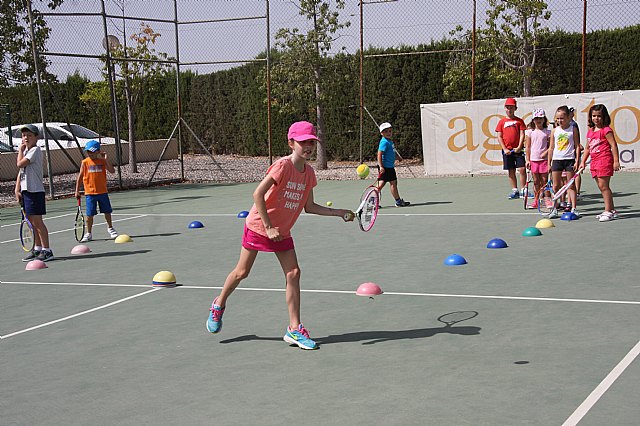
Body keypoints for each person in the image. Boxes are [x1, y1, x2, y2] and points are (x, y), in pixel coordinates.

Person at [205, 121, 353, 350]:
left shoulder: (309, 174)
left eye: (311, 142)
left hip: (282, 231)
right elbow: (257, 194)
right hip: (258, 226)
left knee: (293, 273)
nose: (308, 147)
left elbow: (310, 206)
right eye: (303, 142)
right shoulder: (282, 166)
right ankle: (218, 304)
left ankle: (294, 329)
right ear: (291, 143)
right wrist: (268, 227)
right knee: (242, 272)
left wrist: (338, 212)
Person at [14, 124, 54, 262]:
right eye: (24, 135)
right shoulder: (26, 152)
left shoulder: (35, 150)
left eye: (29, 135)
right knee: (31, 222)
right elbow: (21, 172)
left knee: (37, 222)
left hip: (35, 191)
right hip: (26, 192)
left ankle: (47, 250)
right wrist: (17, 189)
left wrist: (20, 150)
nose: (26, 138)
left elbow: (19, 164)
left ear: (36, 138)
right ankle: (37, 250)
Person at [579, 104, 621, 222]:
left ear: (604, 117)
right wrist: (582, 162)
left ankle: (608, 211)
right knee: (601, 186)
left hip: (605, 160)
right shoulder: (590, 131)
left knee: (604, 186)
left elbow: (613, 145)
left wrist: (616, 161)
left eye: (599, 116)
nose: (596, 118)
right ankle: (612, 210)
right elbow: (587, 148)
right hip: (594, 162)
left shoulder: (606, 130)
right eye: (593, 116)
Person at [74, 140, 119, 241]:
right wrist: (77, 190)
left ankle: (110, 228)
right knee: (89, 215)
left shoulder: (102, 161)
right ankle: (89, 233)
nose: (90, 154)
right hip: (90, 194)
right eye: (88, 152)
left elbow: (112, 171)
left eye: (92, 151)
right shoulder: (84, 162)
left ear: (98, 151)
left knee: (107, 212)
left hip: (102, 192)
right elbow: (80, 177)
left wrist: (106, 159)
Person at [547, 105, 581, 219]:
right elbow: (551, 148)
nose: (559, 121)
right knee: (556, 186)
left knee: (570, 185)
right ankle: (555, 208)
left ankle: (574, 208)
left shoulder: (573, 129)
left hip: (569, 160)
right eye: (558, 118)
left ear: (568, 117)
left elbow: (577, 146)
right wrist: (549, 163)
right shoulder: (554, 131)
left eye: (562, 118)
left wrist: (577, 160)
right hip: (557, 160)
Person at [496, 97, 527, 199]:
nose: (509, 110)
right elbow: (499, 136)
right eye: (508, 107)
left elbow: (522, 134)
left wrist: (519, 146)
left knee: (522, 169)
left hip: (518, 150)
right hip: (507, 151)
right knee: (511, 170)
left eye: (512, 108)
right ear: (505, 108)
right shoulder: (501, 122)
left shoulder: (519, 121)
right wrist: (505, 149)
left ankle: (524, 190)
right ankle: (515, 190)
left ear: (515, 108)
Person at [376, 122, 410, 207]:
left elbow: (391, 153)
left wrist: (398, 157)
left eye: (389, 131)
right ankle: (373, 202)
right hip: (385, 168)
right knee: (382, 185)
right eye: (386, 131)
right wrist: (381, 167)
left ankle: (398, 202)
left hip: (389, 167)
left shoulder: (389, 141)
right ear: (381, 133)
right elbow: (379, 154)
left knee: (392, 184)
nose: (388, 133)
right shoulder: (384, 142)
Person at [524, 108, 551, 209]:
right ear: (533, 120)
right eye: (536, 118)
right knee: (536, 182)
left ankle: (547, 199)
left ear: (544, 119)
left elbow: (551, 147)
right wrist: (527, 160)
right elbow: (527, 147)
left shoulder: (548, 132)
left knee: (545, 181)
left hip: (544, 161)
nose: (538, 120)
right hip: (533, 160)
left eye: (540, 118)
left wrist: (546, 154)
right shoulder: (530, 132)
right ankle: (536, 201)